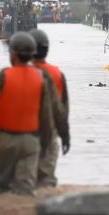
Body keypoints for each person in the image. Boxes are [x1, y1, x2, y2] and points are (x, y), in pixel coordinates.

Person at [0, 32, 67, 196]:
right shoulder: (42, 77)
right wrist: (52, 139)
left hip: (4, 141)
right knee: (25, 192)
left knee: (0, 188)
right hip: (31, 142)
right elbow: (48, 113)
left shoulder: (5, 75)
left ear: (13, 54)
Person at [28, 29, 71, 187]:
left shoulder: (19, 72)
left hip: (24, 132)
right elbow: (63, 109)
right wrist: (65, 135)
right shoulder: (57, 74)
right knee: (46, 180)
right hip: (49, 131)